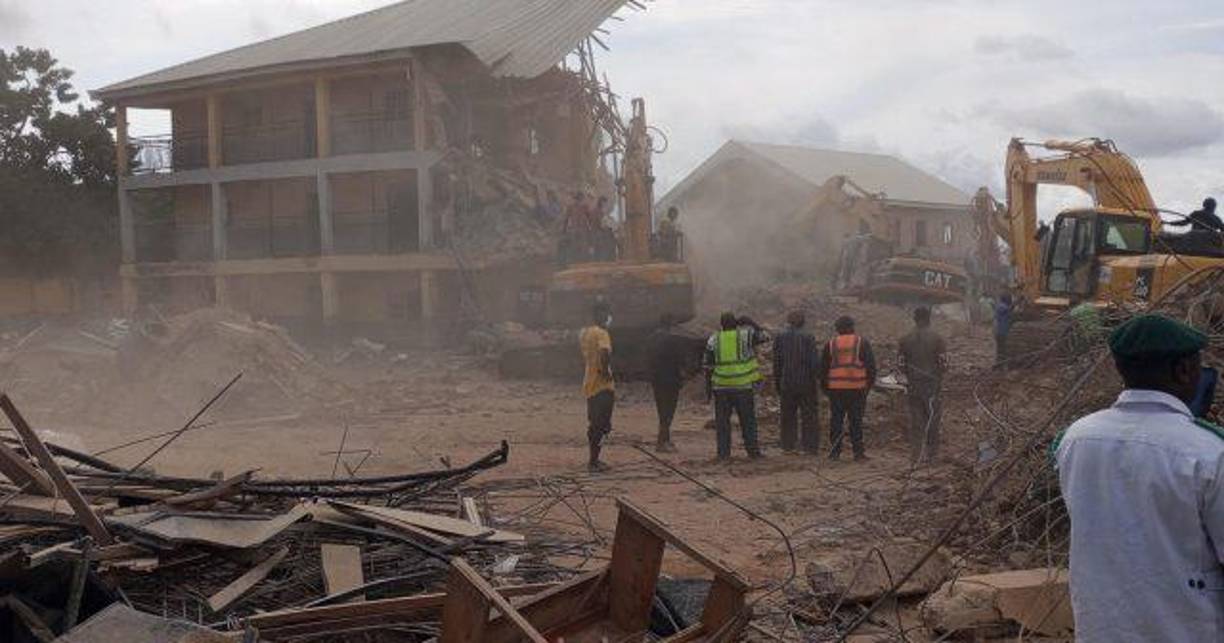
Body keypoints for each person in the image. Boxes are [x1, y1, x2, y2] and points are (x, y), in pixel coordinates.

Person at [1055, 314, 1224, 642]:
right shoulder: (1208, 453)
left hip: (1101, 629)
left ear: (1120, 368)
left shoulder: (1076, 439)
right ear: (1184, 370)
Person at [704, 312, 768, 461]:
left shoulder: (714, 339)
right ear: (737, 324)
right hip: (743, 387)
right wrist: (751, 322)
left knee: (722, 423)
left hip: (721, 387)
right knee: (748, 421)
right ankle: (753, 453)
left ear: (721, 325)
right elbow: (766, 336)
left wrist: (708, 389)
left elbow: (707, 366)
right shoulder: (745, 336)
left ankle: (723, 454)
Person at [820, 316, 876, 461]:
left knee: (836, 421)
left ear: (837, 329)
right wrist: (868, 387)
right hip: (857, 389)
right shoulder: (861, 343)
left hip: (836, 389)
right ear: (852, 326)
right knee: (856, 421)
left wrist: (826, 389)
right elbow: (871, 368)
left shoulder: (830, 344)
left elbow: (822, 370)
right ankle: (858, 453)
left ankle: (834, 452)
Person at [898, 307, 947, 463]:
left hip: (913, 386)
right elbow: (944, 364)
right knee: (932, 420)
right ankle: (931, 456)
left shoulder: (905, 339)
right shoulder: (938, 339)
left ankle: (915, 456)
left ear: (914, 318)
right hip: (932, 386)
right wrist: (937, 377)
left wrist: (910, 375)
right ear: (929, 318)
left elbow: (900, 364)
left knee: (916, 422)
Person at [773, 310, 821, 455]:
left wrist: (777, 382)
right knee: (809, 416)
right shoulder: (808, 337)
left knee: (787, 416)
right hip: (806, 383)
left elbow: (777, 363)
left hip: (787, 382)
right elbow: (814, 362)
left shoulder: (780, 337)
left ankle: (788, 446)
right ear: (803, 322)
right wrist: (818, 380)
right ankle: (810, 447)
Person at [579, 302, 615, 472]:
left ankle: (593, 459)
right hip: (603, 385)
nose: (609, 317)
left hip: (589, 383)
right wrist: (606, 372)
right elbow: (605, 352)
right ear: (600, 314)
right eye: (607, 313)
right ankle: (594, 461)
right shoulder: (602, 333)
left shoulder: (585, 332)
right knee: (603, 425)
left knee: (594, 423)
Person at [646, 313, 690, 453]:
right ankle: (662, 442)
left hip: (657, 380)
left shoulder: (651, 338)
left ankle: (665, 439)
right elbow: (680, 361)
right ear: (670, 323)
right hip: (671, 380)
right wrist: (683, 376)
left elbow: (648, 360)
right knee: (668, 412)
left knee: (662, 411)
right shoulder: (672, 340)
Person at [994, 293, 1013, 367]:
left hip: (1001, 332)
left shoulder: (1002, 306)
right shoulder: (1001, 306)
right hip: (1001, 332)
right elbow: (1008, 309)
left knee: (1001, 349)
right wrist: (1016, 302)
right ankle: (1000, 364)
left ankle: (1000, 364)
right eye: (1009, 299)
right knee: (1002, 349)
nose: (1010, 301)